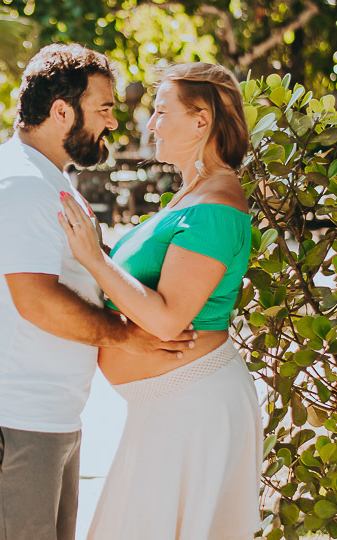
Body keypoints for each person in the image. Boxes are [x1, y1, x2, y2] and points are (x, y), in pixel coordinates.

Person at [0, 44, 197, 540]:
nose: (113, 124)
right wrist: (128, 336)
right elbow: (35, 300)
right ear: (61, 111)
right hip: (6, 418)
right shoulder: (19, 183)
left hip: (45, 417)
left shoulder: (49, 179)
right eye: (103, 109)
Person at [58, 62, 262, 539]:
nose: (150, 124)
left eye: (160, 110)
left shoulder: (217, 204)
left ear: (201, 120)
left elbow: (169, 320)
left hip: (193, 405)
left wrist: (94, 259)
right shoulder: (192, 195)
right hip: (171, 406)